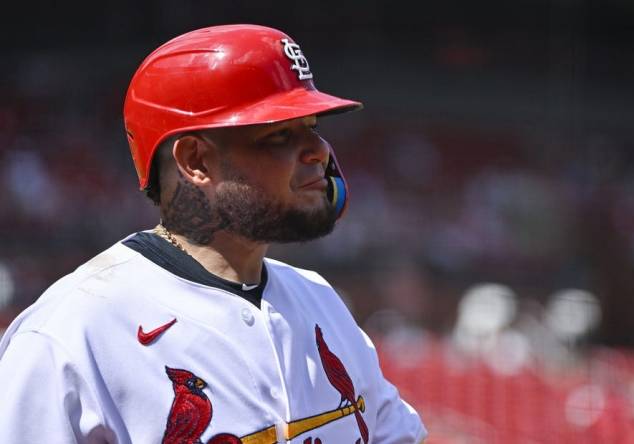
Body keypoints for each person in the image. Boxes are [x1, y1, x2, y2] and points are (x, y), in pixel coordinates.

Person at [0, 24, 427, 444]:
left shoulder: (319, 300)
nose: (318, 150)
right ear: (196, 160)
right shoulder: (72, 334)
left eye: (311, 126)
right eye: (279, 133)